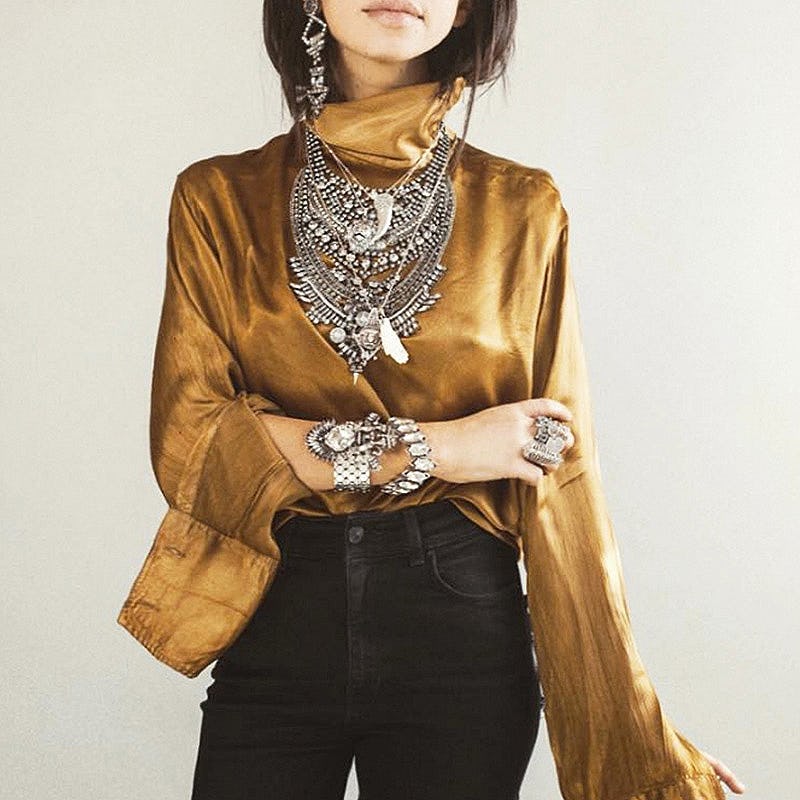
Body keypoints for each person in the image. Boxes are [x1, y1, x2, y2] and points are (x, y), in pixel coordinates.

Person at [117, 2, 746, 798]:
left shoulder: (524, 208)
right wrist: (443, 447)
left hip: (460, 632)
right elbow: (193, 440)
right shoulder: (217, 200)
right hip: (279, 609)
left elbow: (560, 473)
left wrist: (634, 731)